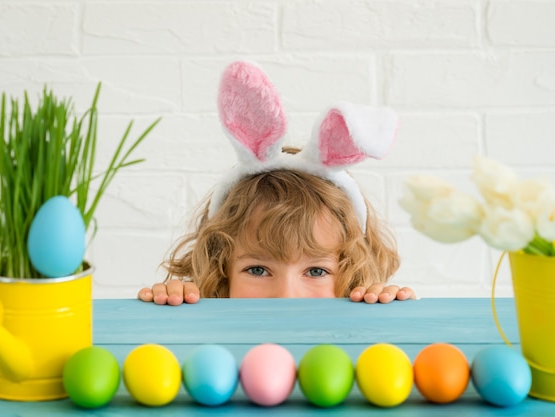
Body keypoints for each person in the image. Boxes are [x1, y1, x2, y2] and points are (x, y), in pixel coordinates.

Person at [137, 61, 415, 305]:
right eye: (257, 269)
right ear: (221, 271)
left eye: (316, 271)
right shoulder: (205, 330)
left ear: (352, 272)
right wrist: (176, 309)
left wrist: (382, 315)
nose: (286, 296)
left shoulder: (361, 325)